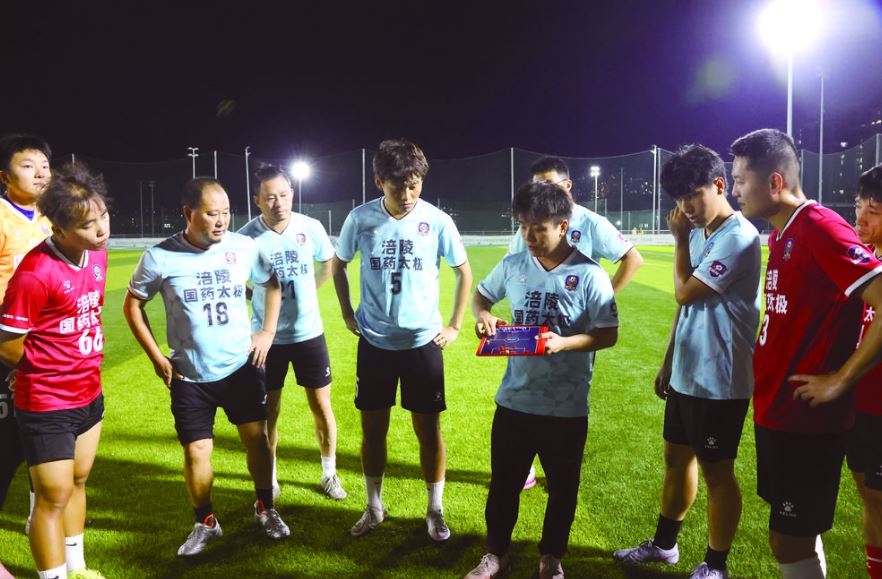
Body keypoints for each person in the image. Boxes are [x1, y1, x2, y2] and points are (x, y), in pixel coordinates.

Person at [730, 128, 882, 578]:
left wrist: (841, 379)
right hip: (778, 411)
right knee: (796, 536)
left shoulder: (819, 227)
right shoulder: (783, 234)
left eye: (740, 180)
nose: (735, 191)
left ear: (774, 182)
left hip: (807, 422)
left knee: (788, 540)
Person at [612, 145, 760, 579]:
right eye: (679, 199)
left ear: (719, 185)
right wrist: (668, 361)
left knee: (718, 473)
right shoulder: (698, 231)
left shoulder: (738, 236)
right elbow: (685, 308)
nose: (686, 208)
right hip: (687, 374)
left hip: (720, 380)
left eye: (692, 195)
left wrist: (678, 240)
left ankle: (716, 565)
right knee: (676, 461)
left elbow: (685, 291)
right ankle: (664, 546)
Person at [123, 177, 290, 557]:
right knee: (196, 452)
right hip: (190, 374)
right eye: (213, 214)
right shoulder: (160, 257)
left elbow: (272, 284)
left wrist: (266, 332)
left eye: (226, 213)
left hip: (241, 366)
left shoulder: (243, 247)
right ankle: (206, 522)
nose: (221, 221)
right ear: (189, 212)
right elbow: (133, 304)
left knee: (257, 440)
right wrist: (156, 357)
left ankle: (266, 507)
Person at [465, 180, 618, 579]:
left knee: (563, 488)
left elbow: (608, 333)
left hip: (566, 406)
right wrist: (484, 317)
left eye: (539, 228)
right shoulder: (513, 265)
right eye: (523, 227)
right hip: (515, 399)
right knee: (504, 484)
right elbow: (481, 297)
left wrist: (565, 343)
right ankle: (495, 555)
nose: (529, 236)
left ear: (563, 226)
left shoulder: (590, 274)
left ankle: (551, 557)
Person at [332, 138, 472, 541]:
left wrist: (454, 325)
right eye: (398, 187)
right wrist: (347, 313)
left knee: (428, 431)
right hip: (375, 344)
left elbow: (464, 272)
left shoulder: (437, 221)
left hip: (422, 345)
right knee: (373, 431)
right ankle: (374, 506)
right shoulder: (360, 219)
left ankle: (435, 510)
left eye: (414, 185)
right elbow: (339, 265)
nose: (408, 195)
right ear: (380, 182)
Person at [0, 162, 109, 579]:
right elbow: (8, 342)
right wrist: (39, 371)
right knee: (52, 498)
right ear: (58, 229)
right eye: (87, 225)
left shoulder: (97, 256)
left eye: (102, 216)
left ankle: (77, 566)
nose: (100, 229)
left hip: (89, 392)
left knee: (78, 481)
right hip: (48, 402)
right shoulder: (35, 272)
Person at [513, 156, 642, 490]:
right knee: (525, 387)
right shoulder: (530, 221)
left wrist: (600, 302)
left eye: (548, 184)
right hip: (534, 321)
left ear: (567, 186)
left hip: (573, 330)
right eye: (536, 185)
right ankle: (526, 466)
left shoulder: (590, 221)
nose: (541, 190)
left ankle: (561, 466)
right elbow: (515, 264)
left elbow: (632, 258)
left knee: (569, 391)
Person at [238, 165, 346, 500]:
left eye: (284, 195)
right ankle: (269, 478)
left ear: (292, 194)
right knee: (269, 411)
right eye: (270, 197)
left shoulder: (310, 227)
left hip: (309, 334)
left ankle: (329, 474)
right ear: (257, 200)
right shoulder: (245, 238)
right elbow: (232, 280)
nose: (279, 203)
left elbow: (328, 264)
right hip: (266, 340)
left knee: (321, 406)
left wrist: (311, 289)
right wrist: (252, 296)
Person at [0, 133, 52, 523]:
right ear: (4, 176)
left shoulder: (53, 216)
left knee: (48, 438)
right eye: (28, 166)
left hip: (50, 344)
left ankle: (43, 518)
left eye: (45, 166)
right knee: (7, 442)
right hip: (8, 345)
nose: (40, 174)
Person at [849, 163, 882, 578]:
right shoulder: (865, 259)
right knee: (870, 497)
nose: (860, 217)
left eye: (873, 210)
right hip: (859, 404)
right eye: (859, 205)